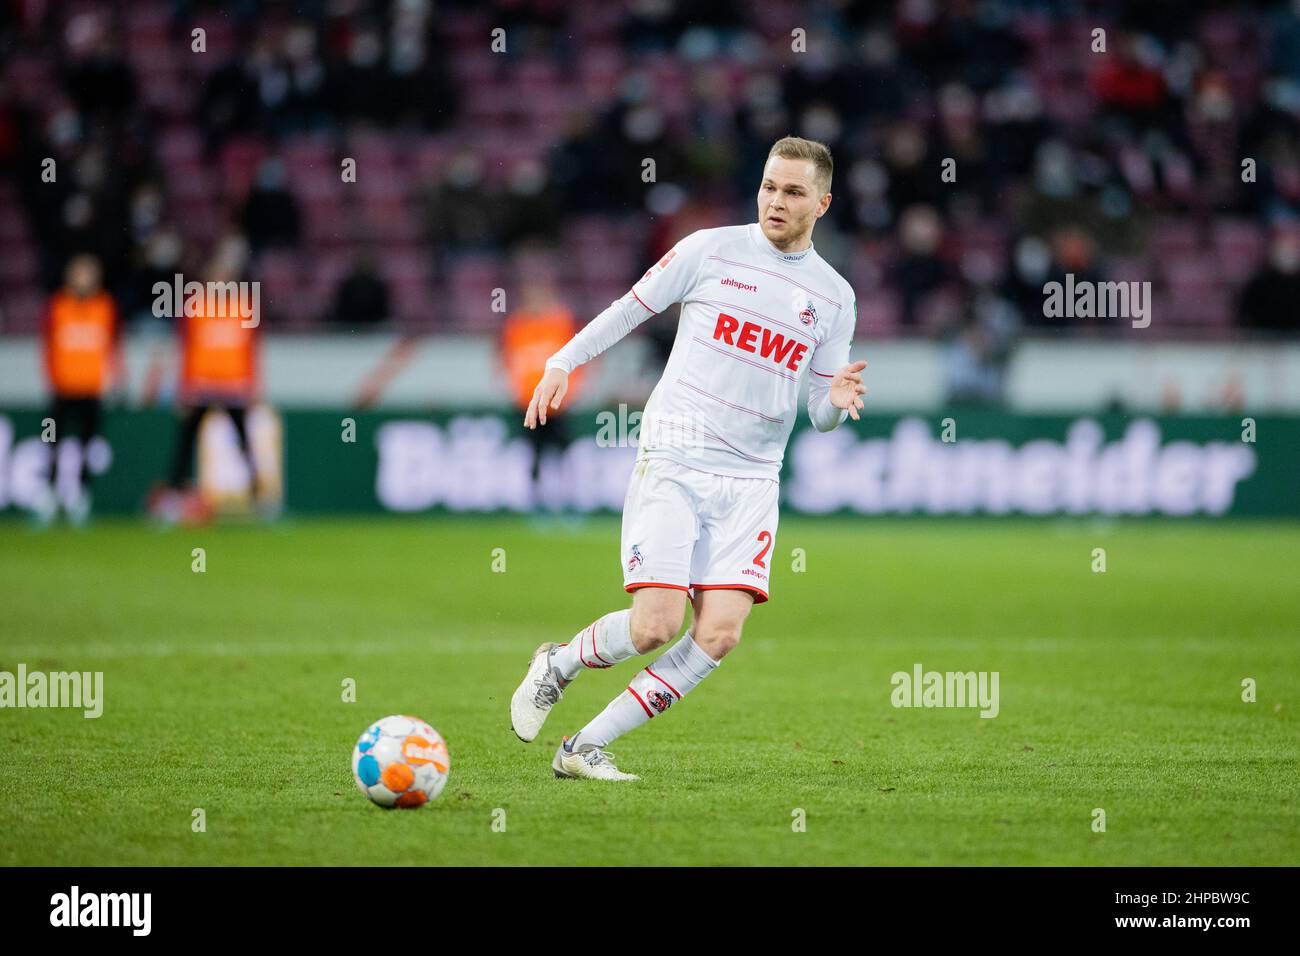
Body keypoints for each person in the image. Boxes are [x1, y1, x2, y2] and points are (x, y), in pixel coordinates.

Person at [509, 137, 867, 780]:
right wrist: (562, 361)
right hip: (676, 455)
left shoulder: (835, 297)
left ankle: (582, 747)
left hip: (753, 478)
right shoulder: (709, 250)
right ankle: (557, 665)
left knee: (721, 634)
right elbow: (629, 310)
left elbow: (819, 411)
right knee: (654, 626)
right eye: (768, 186)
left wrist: (836, 399)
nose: (775, 201)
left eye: (792, 192)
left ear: (823, 202)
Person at [157, 261, 260, 519]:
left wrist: (252, 384)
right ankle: (173, 497)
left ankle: (258, 497)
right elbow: (187, 349)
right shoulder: (197, 308)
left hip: (233, 386)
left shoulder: (242, 308)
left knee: (244, 440)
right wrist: (185, 387)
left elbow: (250, 351)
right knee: (185, 441)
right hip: (202, 386)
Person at [38, 253, 119, 524]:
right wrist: (52, 377)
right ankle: (49, 494)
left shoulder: (105, 306)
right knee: (52, 441)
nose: (84, 279)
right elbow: (48, 346)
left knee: (88, 444)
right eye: (79, 273)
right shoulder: (58, 306)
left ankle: (80, 497)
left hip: (92, 389)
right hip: (63, 389)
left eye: (89, 273)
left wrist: (114, 376)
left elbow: (112, 346)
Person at [500, 277, 584, 494]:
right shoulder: (517, 326)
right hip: (529, 403)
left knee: (563, 453)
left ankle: (569, 498)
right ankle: (537, 501)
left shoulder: (560, 323)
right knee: (535, 453)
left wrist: (574, 389)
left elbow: (577, 357)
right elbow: (508, 361)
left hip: (557, 403)